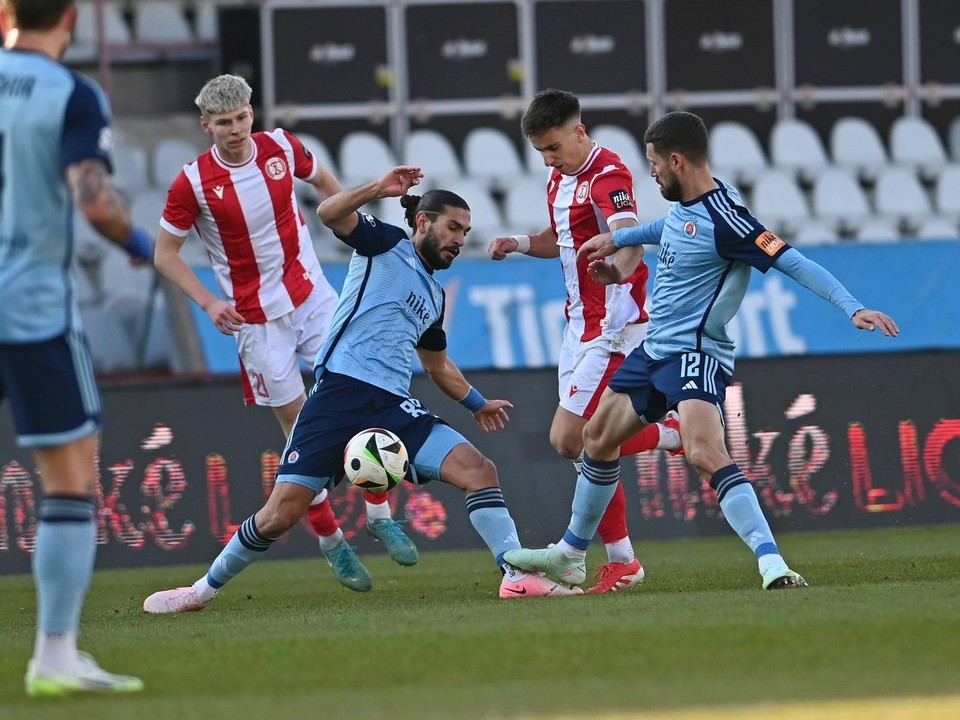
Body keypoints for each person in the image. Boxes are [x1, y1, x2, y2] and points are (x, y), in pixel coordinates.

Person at [142, 165, 581, 615]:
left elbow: (437, 365)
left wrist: (477, 402)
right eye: (452, 227)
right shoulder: (386, 243)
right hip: (337, 397)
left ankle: (516, 577)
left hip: (392, 404)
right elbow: (331, 214)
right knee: (280, 514)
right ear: (424, 221)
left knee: (479, 469)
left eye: (465, 231)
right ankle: (200, 591)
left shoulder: (435, 295)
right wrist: (376, 189)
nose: (459, 238)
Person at [505, 111, 899, 590]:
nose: (650, 172)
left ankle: (772, 562)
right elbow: (670, 229)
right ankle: (570, 555)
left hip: (695, 352)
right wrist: (618, 238)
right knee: (595, 439)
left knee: (704, 452)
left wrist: (851, 307)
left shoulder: (730, 220)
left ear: (676, 161)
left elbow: (793, 261)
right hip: (653, 350)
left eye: (654, 163)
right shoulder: (689, 205)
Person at [154, 74, 417, 593]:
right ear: (207, 125)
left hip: (313, 298)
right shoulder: (193, 182)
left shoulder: (280, 146)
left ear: (253, 112)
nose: (235, 130)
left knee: (362, 394)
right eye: (224, 123)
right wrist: (209, 302)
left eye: (242, 117)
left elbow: (324, 186)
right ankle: (331, 542)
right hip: (254, 319)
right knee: (300, 433)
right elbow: (165, 253)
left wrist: (360, 233)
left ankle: (380, 512)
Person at [0, 0, 150, 696]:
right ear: (69, 16)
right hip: (28, 308)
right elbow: (94, 200)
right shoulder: (71, 94)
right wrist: (140, 246)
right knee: (67, 479)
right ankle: (55, 656)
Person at [488, 89, 681, 593]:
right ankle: (623, 561)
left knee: (569, 438)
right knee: (590, 451)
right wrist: (519, 243)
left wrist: (616, 274)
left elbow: (629, 238)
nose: (547, 158)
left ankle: (670, 434)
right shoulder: (559, 176)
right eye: (540, 151)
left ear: (579, 130)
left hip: (614, 329)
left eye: (553, 147)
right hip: (577, 327)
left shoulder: (609, 176)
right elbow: (560, 240)